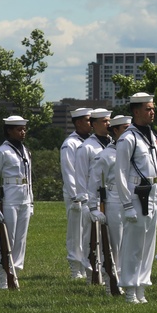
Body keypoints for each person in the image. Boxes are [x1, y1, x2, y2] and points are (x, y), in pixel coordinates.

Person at [115, 93, 157, 303]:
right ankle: (129, 289)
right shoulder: (129, 138)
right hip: (136, 197)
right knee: (133, 246)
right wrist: (127, 204)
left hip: (152, 196)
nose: (152, 112)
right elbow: (120, 173)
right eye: (148, 109)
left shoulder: (153, 137)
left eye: (153, 108)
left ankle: (142, 287)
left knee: (148, 246)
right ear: (136, 112)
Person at [0, 115, 33, 289]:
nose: (23, 132)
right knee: (7, 238)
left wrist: (31, 201)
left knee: (20, 240)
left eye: (24, 129)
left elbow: (30, 178)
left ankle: (15, 274)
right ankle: (3, 277)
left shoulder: (25, 150)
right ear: (9, 131)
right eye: (19, 129)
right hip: (9, 197)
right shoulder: (1, 152)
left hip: (24, 198)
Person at [87, 114, 131, 293]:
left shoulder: (132, 151)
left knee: (130, 242)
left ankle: (128, 278)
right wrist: (93, 206)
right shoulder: (105, 155)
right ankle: (111, 280)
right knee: (115, 243)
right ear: (115, 131)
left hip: (132, 200)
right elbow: (93, 181)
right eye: (125, 130)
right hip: (113, 200)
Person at [76, 108, 112, 282]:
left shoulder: (113, 143)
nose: (108, 124)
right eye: (104, 121)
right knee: (91, 239)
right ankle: (91, 273)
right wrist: (86, 202)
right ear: (94, 124)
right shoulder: (86, 147)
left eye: (109, 121)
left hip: (110, 197)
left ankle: (107, 269)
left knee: (109, 238)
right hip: (92, 198)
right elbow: (81, 176)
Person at [61, 107, 92, 279]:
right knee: (76, 232)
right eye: (88, 120)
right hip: (77, 195)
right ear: (79, 122)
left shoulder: (91, 141)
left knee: (87, 231)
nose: (91, 123)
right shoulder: (70, 143)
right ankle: (75, 268)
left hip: (90, 193)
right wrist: (75, 196)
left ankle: (86, 264)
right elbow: (69, 171)